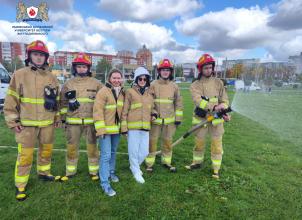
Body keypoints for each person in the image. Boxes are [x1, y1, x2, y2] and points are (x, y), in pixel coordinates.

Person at [4, 40, 61, 201]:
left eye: (41, 55)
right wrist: (13, 121)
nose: (38, 58)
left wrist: (57, 118)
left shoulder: (51, 77)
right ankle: (20, 185)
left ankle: (44, 173)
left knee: (46, 151)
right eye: (35, 54)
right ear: (29, 56)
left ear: (46, 58)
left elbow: (55, 100)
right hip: (27, 125)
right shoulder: (20, 74)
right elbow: (11, 101)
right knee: (25, 155)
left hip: (47, 123)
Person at [185, 54, 230, 179]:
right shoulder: (195, 85)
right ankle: (197, 163)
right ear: (200, 69)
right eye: (206, 68)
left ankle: (216, 169)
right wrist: (214, 107)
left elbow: (224, 100)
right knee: (199, 143)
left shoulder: (219, 83)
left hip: (216, 120)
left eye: (210, 67)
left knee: (216, 144)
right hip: (201, 119)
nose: (208, 70)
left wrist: (224, 109)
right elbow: (198, 101)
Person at [59, 53, 103, 182]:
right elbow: (62, 102)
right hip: (73, 123)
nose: (81, 69)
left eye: (84, 66)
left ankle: (94, 171)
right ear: (75, 68)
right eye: (79, 66)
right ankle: (70, 171)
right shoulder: (68, 84)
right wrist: (62, 118)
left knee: (92, 147)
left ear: (88, 68)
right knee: (72, 148)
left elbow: (102, 102)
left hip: (91, 123)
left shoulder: (96, 84)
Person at [145, 58, 183, 172]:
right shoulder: (152, 85)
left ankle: (166, 162)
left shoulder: (174, 86)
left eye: (167, 70)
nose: (165, 72)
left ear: (170, 72)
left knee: (167, 142)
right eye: (163, 70)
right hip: (155, 121)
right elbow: (148, 102)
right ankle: (149, 163)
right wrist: (153, 114)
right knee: (152, 142)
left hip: (169, 122)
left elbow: (178, 103)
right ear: (159, 71)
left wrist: (178, 118)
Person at [121, 67, 156, 183]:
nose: (142, 81)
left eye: (144, 79)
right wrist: (124, 128)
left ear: (147, 80)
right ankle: (136, 172)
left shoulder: (149, 94)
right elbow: (124, 112)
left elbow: (153, 108)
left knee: (144, 152)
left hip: (145, 127)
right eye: (140, 79)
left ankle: (133, 166)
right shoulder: (129, 92)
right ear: (136, 79)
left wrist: (154, 114)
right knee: (133, 151)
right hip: (133, 128)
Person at [93, 69, 125, 196]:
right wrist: (100, 129)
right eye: (114, 78)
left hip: (116, 130)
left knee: (113, 152)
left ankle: (111, 172)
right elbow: (97, 111)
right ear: (109, 79)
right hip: (105, 131)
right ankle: (105, 184)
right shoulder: (103, 92)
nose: (117, 80)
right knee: (105, 156)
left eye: (119, 78)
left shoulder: (123, 92)